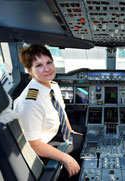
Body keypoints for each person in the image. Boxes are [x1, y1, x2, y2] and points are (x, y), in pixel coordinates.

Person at [13, 44, 83, 179]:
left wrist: (70, 131)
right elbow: (33, 144)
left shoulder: (52, 86)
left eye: (49, 62)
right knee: (78, 145)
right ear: (29, 70)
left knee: (79, 133)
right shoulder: (30, 103)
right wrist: (66, 158)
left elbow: (60, 109)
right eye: (38, 65)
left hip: (50, 133)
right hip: (38, 149)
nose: (47, 69)